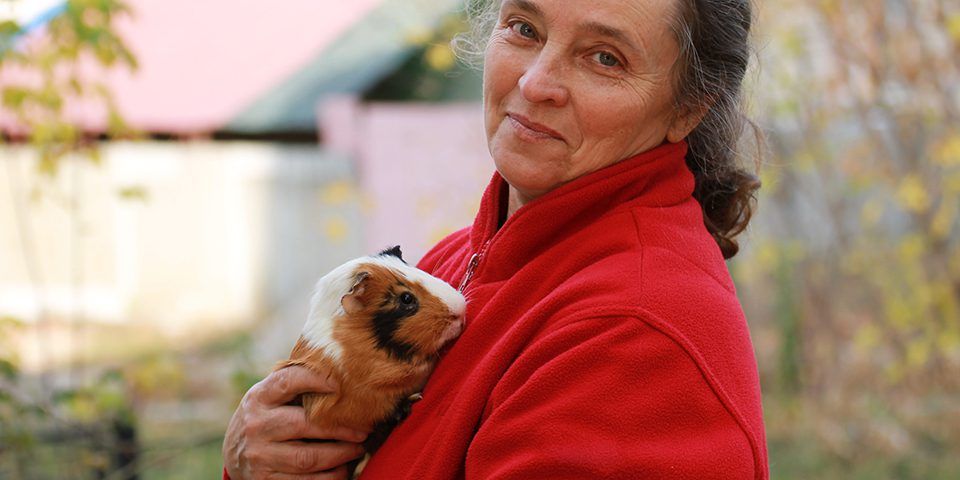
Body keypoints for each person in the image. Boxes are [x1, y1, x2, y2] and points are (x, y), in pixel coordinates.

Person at [223, 0, 768, 477]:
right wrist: (276, 452)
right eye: (524, 28)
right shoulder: (453, 262)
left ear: (687, 108)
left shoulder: (634, 336)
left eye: (605, 57)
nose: (535, 82)